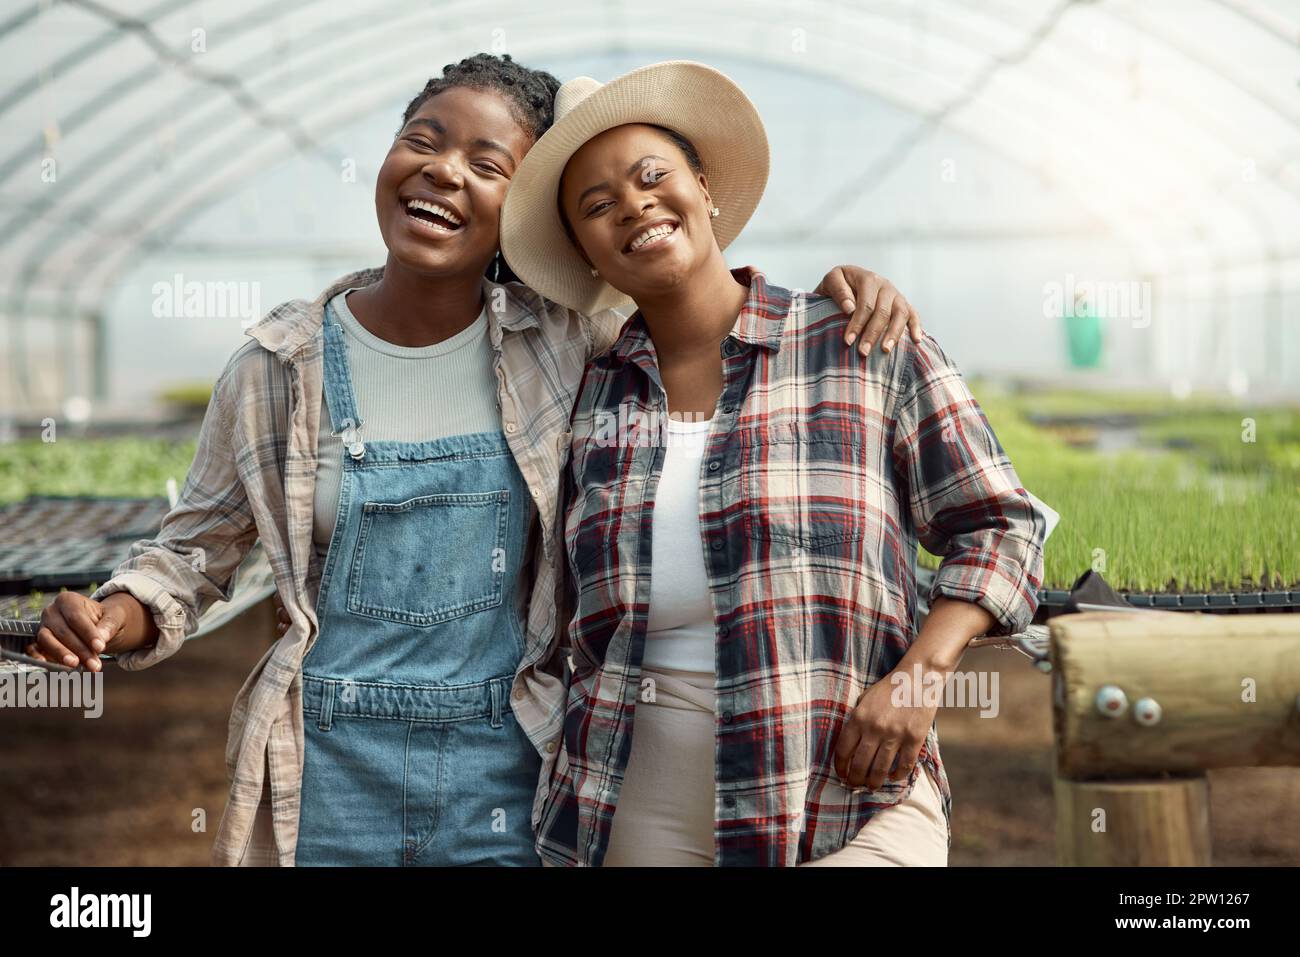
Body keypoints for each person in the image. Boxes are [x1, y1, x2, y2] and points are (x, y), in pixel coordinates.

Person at [29, 53, 929, 866]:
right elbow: (191, 557)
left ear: (519, 215)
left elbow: (687, 291)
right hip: (327, 773)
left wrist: (838, 293)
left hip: (507, 770)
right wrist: (114, 615)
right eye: (421, 141)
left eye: (487, 166)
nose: (443, 171)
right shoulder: (278, 370)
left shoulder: (568, 347)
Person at [499, 60, 1049, 866]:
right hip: (632, 800)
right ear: (585, 251)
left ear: (705, 186)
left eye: (653, 176)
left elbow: (1003, 526)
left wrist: (920, 679)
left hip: (848, 792)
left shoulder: (859, 342)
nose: (635, 205)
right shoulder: (588, 396)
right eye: (597, 205)